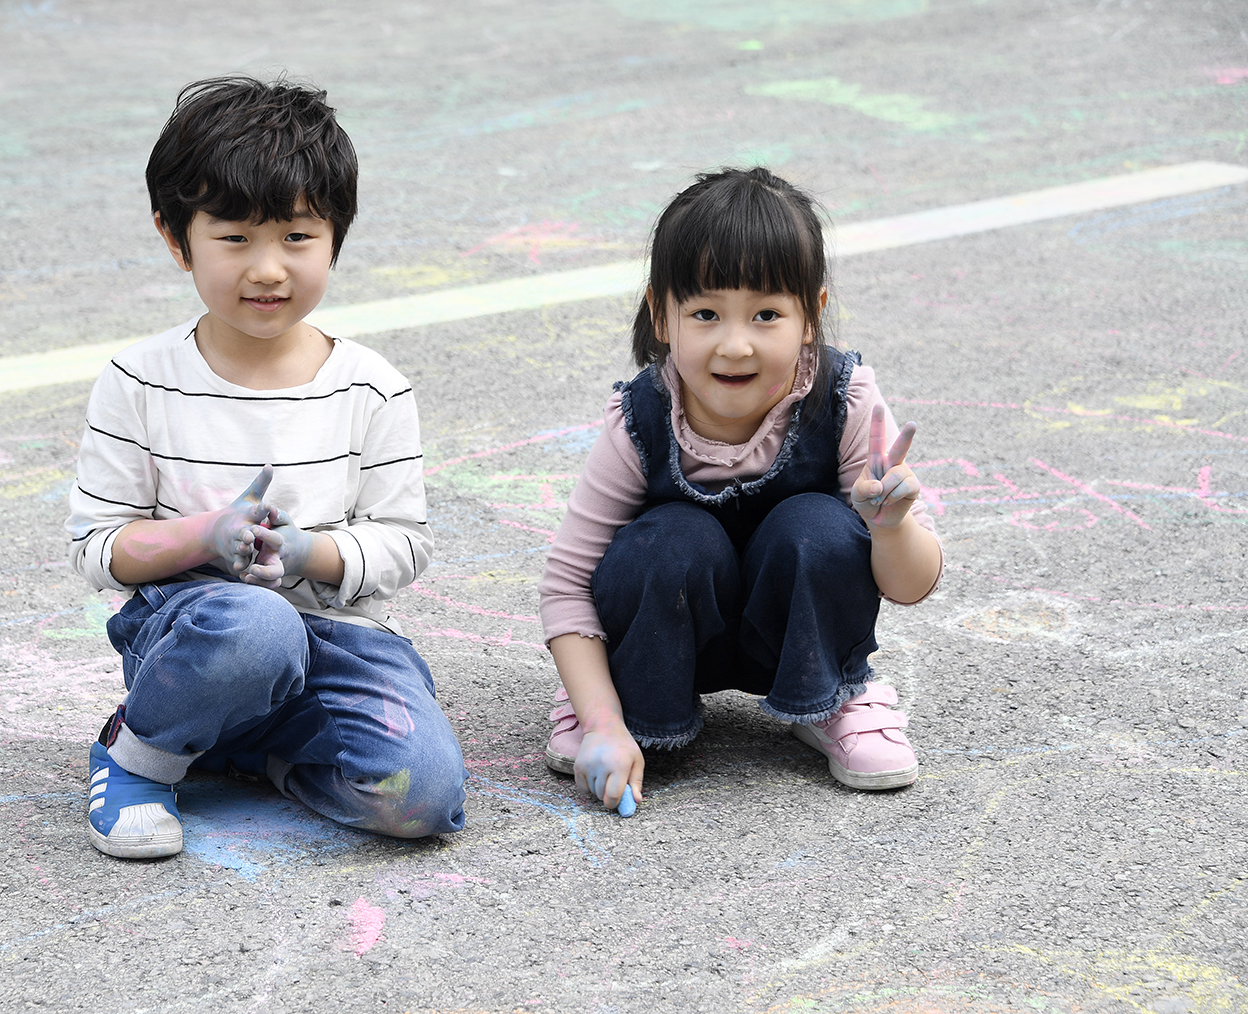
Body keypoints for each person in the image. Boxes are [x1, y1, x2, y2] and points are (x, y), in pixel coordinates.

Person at [65, 76, 467, 859]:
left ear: (335, 237)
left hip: (342, 636)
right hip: (202, 632)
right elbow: (99, 546)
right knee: (256, 624)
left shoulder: (372, 386)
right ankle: (139, 757)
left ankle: (251, 748)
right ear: (176, 237)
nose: (269, 269)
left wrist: (311, 553)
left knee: (420, 799)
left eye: (296, 237)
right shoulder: (139, 380)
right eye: (235, 237)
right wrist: (204, 539)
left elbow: (404, 541)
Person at [537, 167, 944, 812]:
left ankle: (832, 692)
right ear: (660, 313)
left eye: (766, 314)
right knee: (672, 539)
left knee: (819, 526)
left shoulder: (846, 401)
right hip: (668, 638)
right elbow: (567, 583)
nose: (735, 344)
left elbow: (911, 584)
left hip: (793, 637)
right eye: (705, 312)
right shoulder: (642, 418)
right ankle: (621, 696)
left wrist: (892, 526)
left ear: (812, 314)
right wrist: (604, 722)